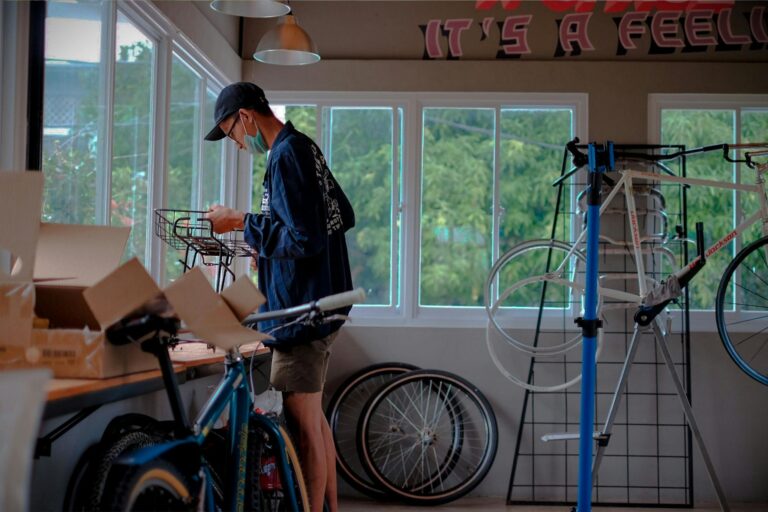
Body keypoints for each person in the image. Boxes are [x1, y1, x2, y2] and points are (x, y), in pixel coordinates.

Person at [203, 82, 354, 512]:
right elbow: (341, 214)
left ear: (246, 116)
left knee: (303, 425)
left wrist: (240, 222)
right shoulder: (304, 148)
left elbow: (304, 237)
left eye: (230, 131)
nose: (235, 143)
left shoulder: (286, 155)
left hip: (303, 311)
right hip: (324, 303)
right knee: (314, 419)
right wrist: (268, 240)